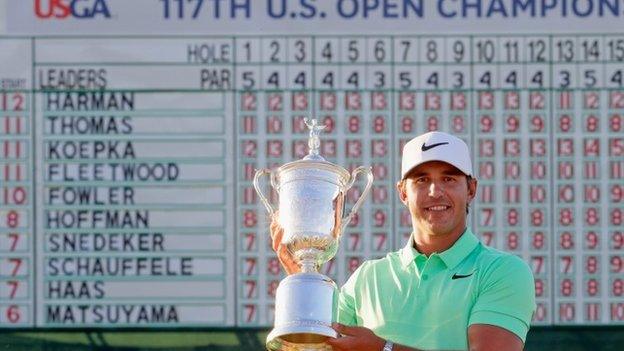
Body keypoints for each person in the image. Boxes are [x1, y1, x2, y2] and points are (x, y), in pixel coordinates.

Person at [271, 131, 536, 351]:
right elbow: (312, 348)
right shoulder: (366, 279)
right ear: (402, 192)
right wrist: (303, 283)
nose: (435, 191)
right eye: (422, 180)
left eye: (449, 178)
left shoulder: (503, 271)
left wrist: (384, 349)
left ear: (471, 189)